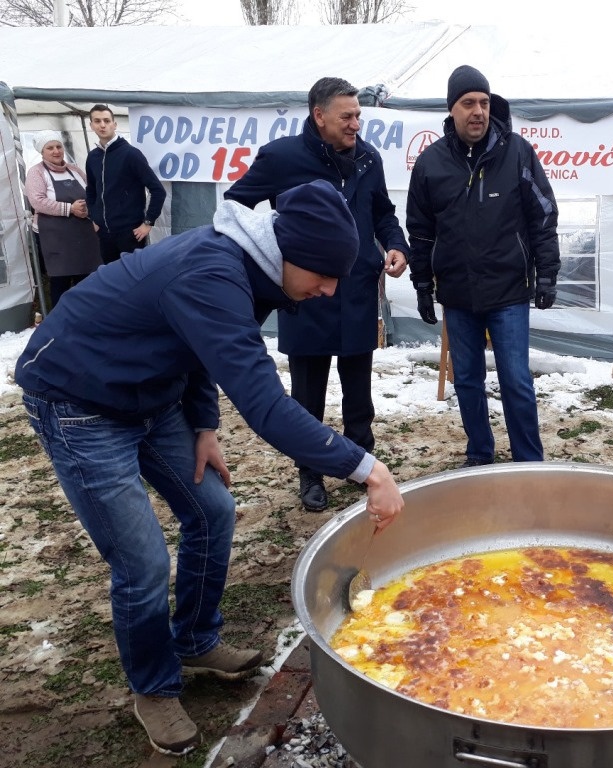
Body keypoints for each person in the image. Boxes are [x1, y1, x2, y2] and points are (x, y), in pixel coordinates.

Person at [15, 180, 404, 756]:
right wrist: (369, 469)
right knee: (143, 560)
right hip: (79, 402)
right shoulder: (210, 271)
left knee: (214, 510)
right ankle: (153, 687)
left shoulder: (259, 270)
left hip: (152, 396)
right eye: (322, 275)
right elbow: (267, 406)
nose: (327, 290)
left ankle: (195, 639)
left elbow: (199, 346)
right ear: (287, 253)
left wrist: (203, 426)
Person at [225, 77, 410, 512]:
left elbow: (382, 211)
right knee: (308, 393)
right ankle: (310, 472)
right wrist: (272, 259)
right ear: (319, 115)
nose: (355, 125)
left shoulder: (367, 158)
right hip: (305, 295)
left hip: (358, 290)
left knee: (358, 392)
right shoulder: (281, 158)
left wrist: (396, 244)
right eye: (347, 116)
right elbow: (236, 207)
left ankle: (362, 460)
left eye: (358, 116)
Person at [406, 65, 560, 467]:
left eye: (485, 102)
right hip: (457, 294)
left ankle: (529, 461)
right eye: (468, 103)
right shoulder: (430, 164)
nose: (478, 111)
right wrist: (423, 284)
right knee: (468, 381)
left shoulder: (518, 152)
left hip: (508, 290)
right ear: (451, 110)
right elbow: (420, 231)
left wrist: (547, 273)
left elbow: (543, 215)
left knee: (516, 380)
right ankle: (480, 456)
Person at [24, 131, 102, 307]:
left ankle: (87, 319)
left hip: (84, 234)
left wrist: (88, 210)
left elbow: (93, 193)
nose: (56, 151)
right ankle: (60, 324)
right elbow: (37, 201)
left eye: (58, 146)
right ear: (42, 152)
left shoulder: (75, 170)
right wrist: (70, 209)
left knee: (88, 279)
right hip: (55, 238)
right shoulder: (36, 173)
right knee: (61, 281)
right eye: (50, 148)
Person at [85, 103, 166, 264]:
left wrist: (148, 223)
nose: (102, 125)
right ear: (91, 125)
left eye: (107, 121)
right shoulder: (92, 157)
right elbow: (91, 190)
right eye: (97, 121)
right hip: (104, 233)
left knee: (133, 279)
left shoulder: (130, 154)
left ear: (114, 125)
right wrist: (94, 218)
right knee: (111, 279)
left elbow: (158, 190)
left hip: (130, 233)